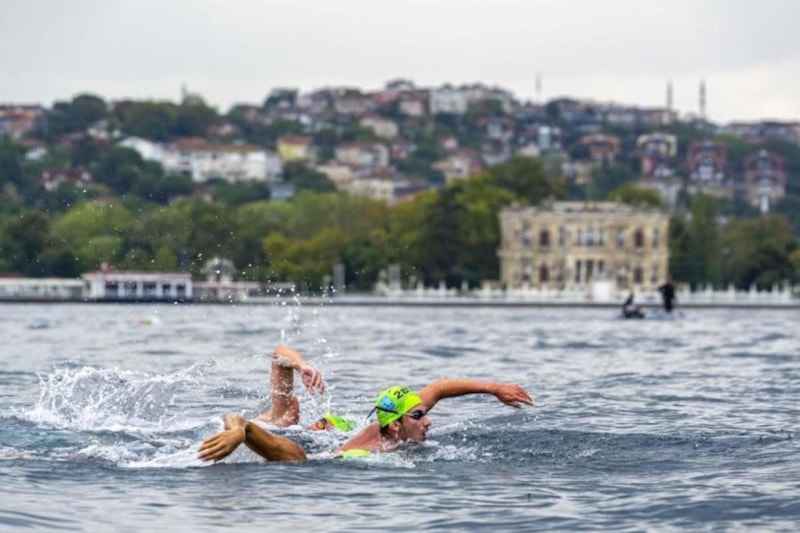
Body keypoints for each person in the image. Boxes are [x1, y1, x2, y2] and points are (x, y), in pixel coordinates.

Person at [198, 378, 534, 463]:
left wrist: (494, 389)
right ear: (395, 426)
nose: (428, 421)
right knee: (291, 457)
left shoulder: (396, 422)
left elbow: (439, 388)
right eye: (419, 416)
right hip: (317, 462)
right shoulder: (365, 452)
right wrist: (237, 430)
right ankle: (240, 433)